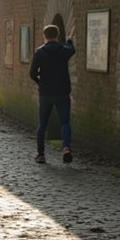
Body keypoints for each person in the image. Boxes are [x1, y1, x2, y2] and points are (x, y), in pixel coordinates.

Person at [29, 25, 77, 164]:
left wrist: (40, 82)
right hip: (62, 92)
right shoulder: (64, 50)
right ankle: (66, 147)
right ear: (57, 35)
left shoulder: (40, 52)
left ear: (45, 36)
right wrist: (69, 40)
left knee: (42, 125)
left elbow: (32, 73)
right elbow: (72, 49)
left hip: (46, 94)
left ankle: (41, 154)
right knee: (65, 123)